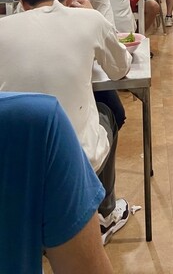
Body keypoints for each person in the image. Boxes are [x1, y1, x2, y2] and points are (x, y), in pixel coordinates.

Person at [0, 0, 132, 244]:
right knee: (108, 112)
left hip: (12, 162)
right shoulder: (89, 19)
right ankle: (105, 213)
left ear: (23, 1)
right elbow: (120, 69)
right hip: (76, 158)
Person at [0, 92, 114, 273]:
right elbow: (117, 75)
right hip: (66, 154)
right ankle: (107, 209)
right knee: (113, 114)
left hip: (48, 157)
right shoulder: (37, 122)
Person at [55, 0, 125, 129]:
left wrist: (92, 14)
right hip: (57, 65)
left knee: (117, 113)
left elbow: (110, 30)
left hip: (89, 65)